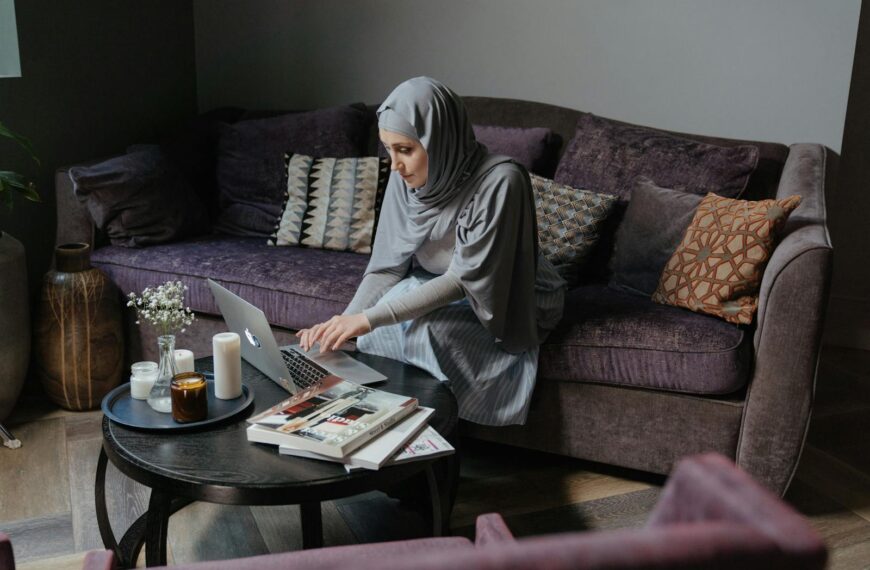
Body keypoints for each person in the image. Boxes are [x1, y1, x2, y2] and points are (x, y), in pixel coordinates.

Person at [297, 77, 565, 425]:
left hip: (506, 292)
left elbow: (463, 280)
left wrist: (368, 318)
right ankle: (388, 426)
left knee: (423, 331)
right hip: (439, 278)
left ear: (439, 140)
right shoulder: (403, 177)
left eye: (405, 149)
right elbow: (387, 269)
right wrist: (344, 324)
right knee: (379, 328)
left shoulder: (502, 182)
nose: (394, 164)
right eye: (388, 149)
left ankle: (437, 431)